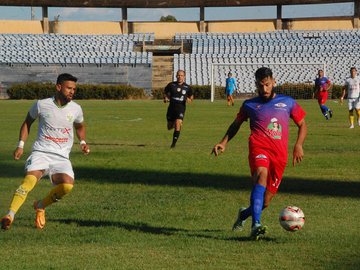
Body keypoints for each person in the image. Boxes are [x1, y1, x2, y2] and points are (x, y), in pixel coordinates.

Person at [211, 67, 307, 240]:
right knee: (261, 174)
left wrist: (298, 145)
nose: (264, 89)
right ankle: (256, 225)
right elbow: (236, 124)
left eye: (268, 85)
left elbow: (303, 124)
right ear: (256, 84)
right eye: (261, 85)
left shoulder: (288, 102)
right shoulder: (249, 105)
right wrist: (223, 142)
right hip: (259, 148)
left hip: (280, 156)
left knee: (266, 201)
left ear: (274, 82)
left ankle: (243, 215)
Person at [1, 73, 90, 230]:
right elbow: (27, 122)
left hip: (61, 157)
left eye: (74, 89)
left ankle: (40, 206)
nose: (72, 92)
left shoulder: (76, 108)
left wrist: (82, 142)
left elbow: (80, 126)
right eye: (69, 88)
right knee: (29, 181)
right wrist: (21, 145)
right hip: (40, 152)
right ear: (58, 87)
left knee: (67, 186)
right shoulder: (41, 104)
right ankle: (10, 215)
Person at [164, 70, 193, 148]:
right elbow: (166, 93)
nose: (180, 77)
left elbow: (191, 97)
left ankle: (173, 144)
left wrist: (189, 100)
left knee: (177, 123)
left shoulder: (187, 87)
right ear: (176, 76)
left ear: (184, 76)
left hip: (181, 109)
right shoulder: (171, 85)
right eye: (178, 75)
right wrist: (166, 98)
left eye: (181, 75)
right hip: (171, 109)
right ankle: (176, 124)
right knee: (169, 127)